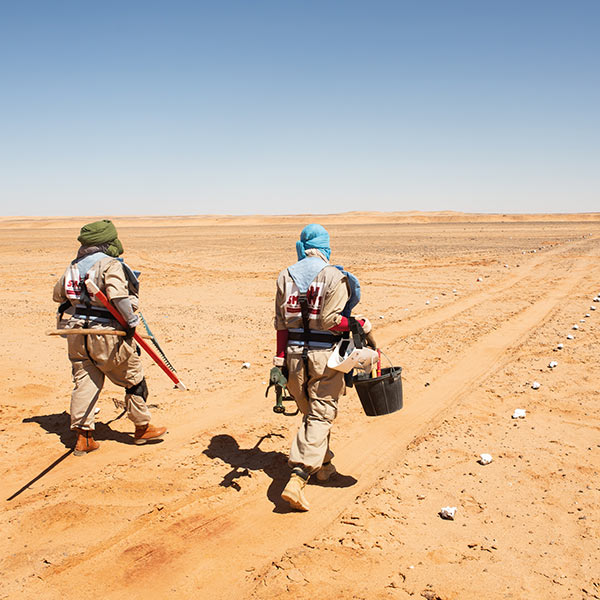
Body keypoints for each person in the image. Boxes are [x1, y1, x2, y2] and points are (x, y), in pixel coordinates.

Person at [274, 224, 372, 511]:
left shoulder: (285, 276)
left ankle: (325, 468)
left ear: (302, 246)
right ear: (325, 247)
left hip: (292, 356)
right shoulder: (333, 276)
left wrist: (279, 361)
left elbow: (281, 324)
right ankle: (298, 477)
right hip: (324, 357)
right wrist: (357, 324)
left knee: (312, 412)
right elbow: (331, 321)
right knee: (321, 413)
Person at [53, 219, 166, 456]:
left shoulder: (74, 265)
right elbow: (118, 298)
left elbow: (58, 294)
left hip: (76, 333)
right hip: (106, 333)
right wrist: (131, 323)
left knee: (85, 380)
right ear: (107, 242)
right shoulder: (110, 264)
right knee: (133, 377)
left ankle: (84, 438)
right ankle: (142, 427)